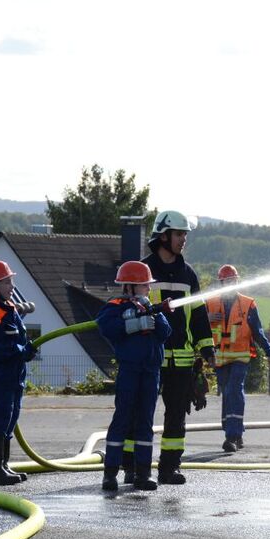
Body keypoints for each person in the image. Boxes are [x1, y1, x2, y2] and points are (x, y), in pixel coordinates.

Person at [124, 210, 216, 485]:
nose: (184, 239)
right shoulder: (143, 272)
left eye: (185, 234)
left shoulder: (189, 275)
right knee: (140, 415)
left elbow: (198, 315)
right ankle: (133, 467)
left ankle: (169, 468)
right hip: (150, 359)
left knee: (176, 416)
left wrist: (207, 349)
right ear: (163, 236)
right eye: (179, 234)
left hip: (182, 361)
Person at [97, 261, 171, 491]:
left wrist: (154, 314)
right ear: (129, 287)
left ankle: (143, 473)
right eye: (144, 285)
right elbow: (106, 327)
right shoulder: (115, 306)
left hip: (151, 371)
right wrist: (133, 324)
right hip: (130, 369)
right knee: (122, 419)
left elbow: (166, 332)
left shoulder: (151, 307)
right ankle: (110, 474)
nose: (149, 289)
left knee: (145, 422)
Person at [206, 264, 270, 452]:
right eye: (226, 281)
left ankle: (233, 436)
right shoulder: (210, 304)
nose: (230, 283)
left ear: (237, 282)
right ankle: (234, 431)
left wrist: (269, 352)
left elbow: (258, 331)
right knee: (227, 393)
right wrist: (208, 318)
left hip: (240, 357)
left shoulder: (248, 304)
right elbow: (199, 328)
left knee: (234, 390)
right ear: (221, 283)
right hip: (220, 358)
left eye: (233, 281)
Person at [0, 261, 37, 486]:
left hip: (15, 376)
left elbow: (19, 340)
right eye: (6, 281)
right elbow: (0, 349)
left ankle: (2, 464)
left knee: (11, 417)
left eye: (11, 281)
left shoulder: (11, 309)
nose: (11, 285)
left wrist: (27, 349)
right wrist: (23, 351)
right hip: (1, 375)